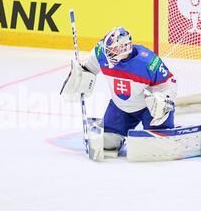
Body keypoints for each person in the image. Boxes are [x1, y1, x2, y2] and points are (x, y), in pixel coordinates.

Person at [61, 27, 177, 156]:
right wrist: (79, 78)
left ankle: (160, 130)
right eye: (108, 49)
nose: (107, 54)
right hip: (120, 106)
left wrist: (164, 99)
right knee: (106, 143)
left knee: (158, 145)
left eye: (113, 50)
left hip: (148, 108)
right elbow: (88, 69)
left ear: (125, 49)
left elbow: (168, 82)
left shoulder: (147, 61)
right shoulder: (101, 52)